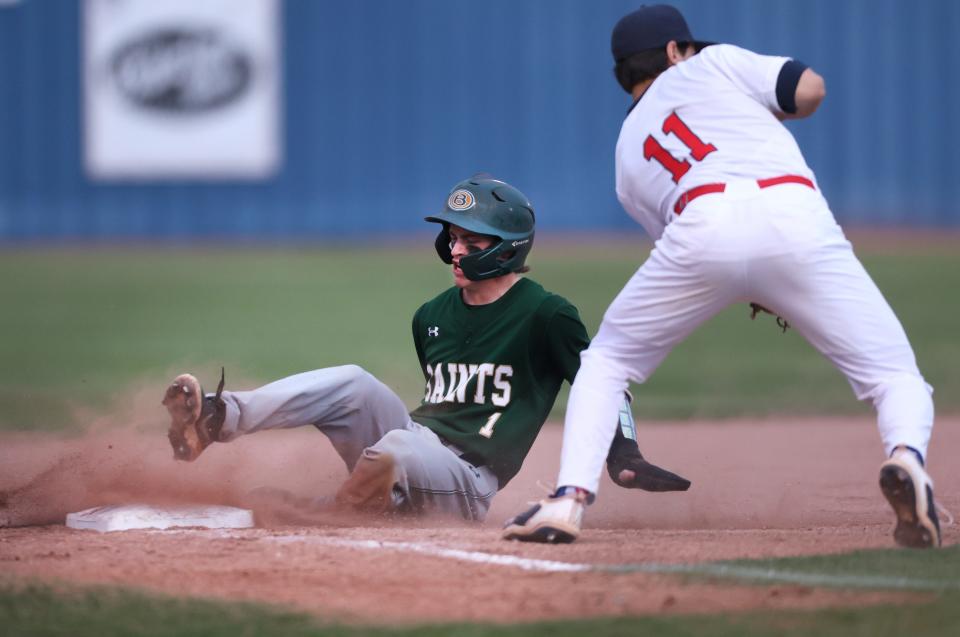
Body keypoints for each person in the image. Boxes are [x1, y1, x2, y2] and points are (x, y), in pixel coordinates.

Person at [503, 5, 941, 547]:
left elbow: (690, 246)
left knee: (608, 362)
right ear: (673, 51)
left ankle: (568, 501)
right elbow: (809, 91)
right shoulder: (717, 62)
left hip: (700, 223)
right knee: (894, 374)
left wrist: (746, 279)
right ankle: (907, 459)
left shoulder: (625, 154)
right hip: (794, 215)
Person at [162, 175, 689, 522]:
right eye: (454, 238)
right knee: (354, 382)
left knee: (401, 451)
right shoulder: (431, 316)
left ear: (508, 250)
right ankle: (216, 417)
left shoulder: (547, 314)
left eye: (472, 242)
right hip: (418, 447)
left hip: (467, 484)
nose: (456, 250)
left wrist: (625, 454)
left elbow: (603, 381)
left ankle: (332, 513)